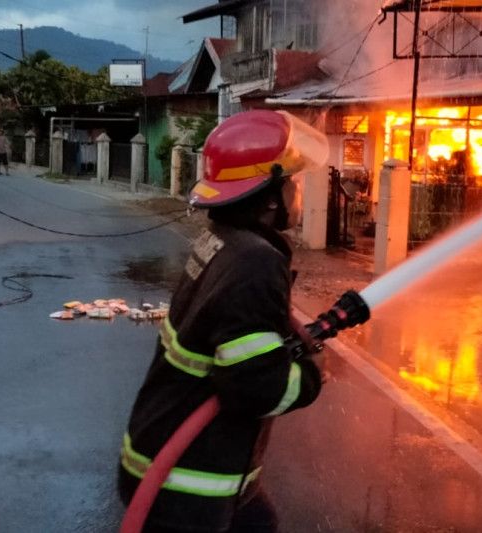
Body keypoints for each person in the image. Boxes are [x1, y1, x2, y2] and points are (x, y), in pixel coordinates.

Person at [118, 110, 331, 533]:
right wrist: (311, 374)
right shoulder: (254, 262)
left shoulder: (224, 241)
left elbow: (234, 338)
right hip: (189, 486)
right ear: (271, 196)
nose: (299, 193)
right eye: (293, 182)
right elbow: (255, 388)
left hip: (167, 458)